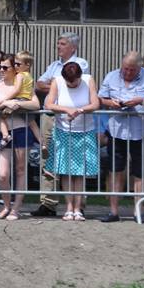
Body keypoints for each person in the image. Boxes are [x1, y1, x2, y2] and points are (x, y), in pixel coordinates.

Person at [98, 51, 144, 222]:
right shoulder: (111, 76)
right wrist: (111, 103)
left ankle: (138, 211)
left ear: (139, 68)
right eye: (125, 69)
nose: (127, 72)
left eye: (132, 70)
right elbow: (100, 99)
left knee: (141, 172)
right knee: (115, 170)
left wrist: (141, 101)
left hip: (142, 131)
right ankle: (113, 212)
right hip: (116, 130)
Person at [33, 32, 90, 217]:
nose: (58, 46)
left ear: (73, 47)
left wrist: (55, 84)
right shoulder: (54, 65)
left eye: (63, 44)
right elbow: (38, 84)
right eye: (58, 43)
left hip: (71, 117)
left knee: (75, 161)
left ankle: (78, 204)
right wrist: (57, 84)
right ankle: (48, 202)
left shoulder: (81, 64)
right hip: (51, 115)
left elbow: (73, 83)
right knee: (47, 156)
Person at [0, 54, 40, 220]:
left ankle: (16, 208)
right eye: (0, 67)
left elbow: (36, 104)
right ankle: (6, 206)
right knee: (2, 174)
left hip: (21, 129)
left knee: (21, 170)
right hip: (2, 132)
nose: (1, 70)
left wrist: (17, 104)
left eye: (5, 67)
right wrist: (3, 103)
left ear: (14, 69)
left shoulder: (21, 84)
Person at [44, 62, 100, 222]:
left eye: (74, 82)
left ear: (80, 76)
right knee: (65, 172)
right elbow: (48, 104)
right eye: (69, 82)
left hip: (85, 131)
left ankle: (78, 208)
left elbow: (95, 103)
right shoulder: (57, 81)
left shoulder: (88, 80)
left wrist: (80, 110)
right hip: (63, 131)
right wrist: (66, 109)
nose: (71, 84)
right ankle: (69, 208)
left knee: (80, 173)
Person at [0, 51, 41, 148]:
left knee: (1, 115)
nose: (16, 66)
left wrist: (5, 99)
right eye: (15, 64)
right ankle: (42, 142)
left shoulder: (19, 75)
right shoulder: (29, 76)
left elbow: (17, 90)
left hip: (19, 100)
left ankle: (5, 136)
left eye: (18, 64)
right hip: (27, 100)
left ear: (27, 65)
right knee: (32, 123)